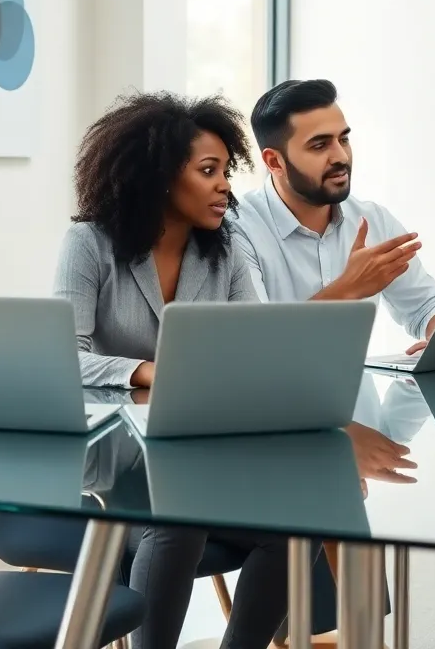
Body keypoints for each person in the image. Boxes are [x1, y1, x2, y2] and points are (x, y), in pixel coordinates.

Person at [54, 91, 286, 649]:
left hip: (201, 456)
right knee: (177, 520)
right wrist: (148, 372)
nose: (225, 185)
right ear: (159, 177)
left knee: (296, 526)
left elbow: (255, 345)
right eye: (208, 171)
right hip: (109, 465)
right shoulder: (88, 245)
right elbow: (61, 354)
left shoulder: (225, 252)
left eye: (225, 170)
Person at [232, 79, 435, 355]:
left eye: (343, 139)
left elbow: (427, 305)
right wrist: (348, 288)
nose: (340, 156)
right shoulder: (238, 230)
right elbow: (257, 342)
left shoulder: (372, 219)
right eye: (319, 145)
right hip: (272, 397)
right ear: (275, 162)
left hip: (361, 396)